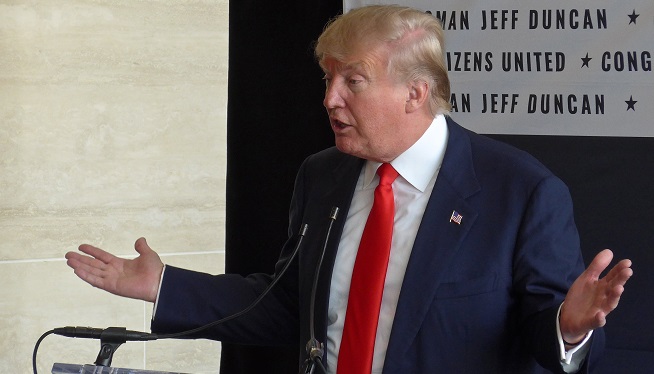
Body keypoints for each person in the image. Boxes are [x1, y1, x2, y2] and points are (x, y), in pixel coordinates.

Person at [66, 5, 633, 374]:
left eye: (352, 82)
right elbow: (289, 306)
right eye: (328, 78)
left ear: (416, 93)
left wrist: (567, 326)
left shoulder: (521, 191)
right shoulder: (324, 174)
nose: (330, 99)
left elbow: (547, 338)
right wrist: (164, 287)